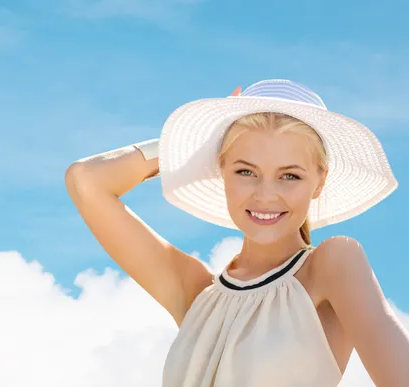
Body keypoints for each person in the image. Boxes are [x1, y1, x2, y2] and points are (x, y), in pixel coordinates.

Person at [64, 79, 409, 386]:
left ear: (319, 182)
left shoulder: (333, 264)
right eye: (246, 171)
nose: (265, 194)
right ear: (221, 169)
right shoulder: (197, 293)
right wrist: (191, 144)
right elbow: (87, 180)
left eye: (290, 176)